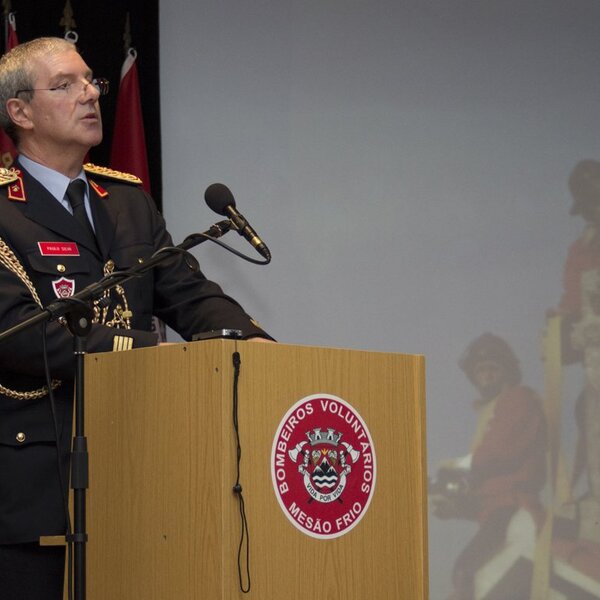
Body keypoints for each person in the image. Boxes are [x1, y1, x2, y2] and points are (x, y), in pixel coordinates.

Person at [0, 37, 272, 599]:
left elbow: (188, 294)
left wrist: (255, 347)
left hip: (143, 471)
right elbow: (20, 335)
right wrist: (150, 357)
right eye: (64, 85)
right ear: (19, 111)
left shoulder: (127, 202)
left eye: (91, 81)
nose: (89, 95)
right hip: (37, 485)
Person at [430, 333, 546, 600]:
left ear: (507, 371)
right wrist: (455, 507)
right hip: (498, 514)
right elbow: (488, 491)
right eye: (480, 370)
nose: (486, 375)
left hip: (517, 512)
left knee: (467, 571)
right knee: (465, 573)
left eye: (492, 368)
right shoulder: (493, 412)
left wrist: (458, 464)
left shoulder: (518, 399)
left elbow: (499, 452)